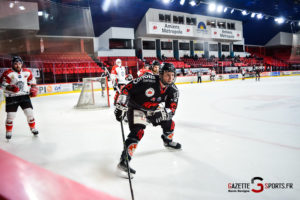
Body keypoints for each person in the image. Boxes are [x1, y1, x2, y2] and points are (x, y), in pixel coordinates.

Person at [114, 63, 181, 176]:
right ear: (160, 74)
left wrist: (164, 113)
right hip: (137, 108)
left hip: (152, 109)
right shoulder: (147, 79)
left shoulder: (173, 90)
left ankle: (168, 141)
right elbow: (127, 89)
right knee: (138, 132)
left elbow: (172, 110)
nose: (170, 78)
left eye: (172, 75)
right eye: (167, 75)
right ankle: (124, 161)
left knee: (169, 123)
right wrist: (121, 104)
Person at [0, 56, 39, 140]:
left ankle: (33, 128)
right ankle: (8, 131)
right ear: (12, 64)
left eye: (19, 63)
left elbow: (32, 80)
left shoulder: (27, 72)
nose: (18, 65)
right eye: (16, 64)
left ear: (22, 64)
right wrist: (10, 88)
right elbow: (2, 84)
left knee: (30, 113)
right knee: (11, 116)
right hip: (11, 97)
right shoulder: (8, 73)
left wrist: (34, 87)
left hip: (24, 96)